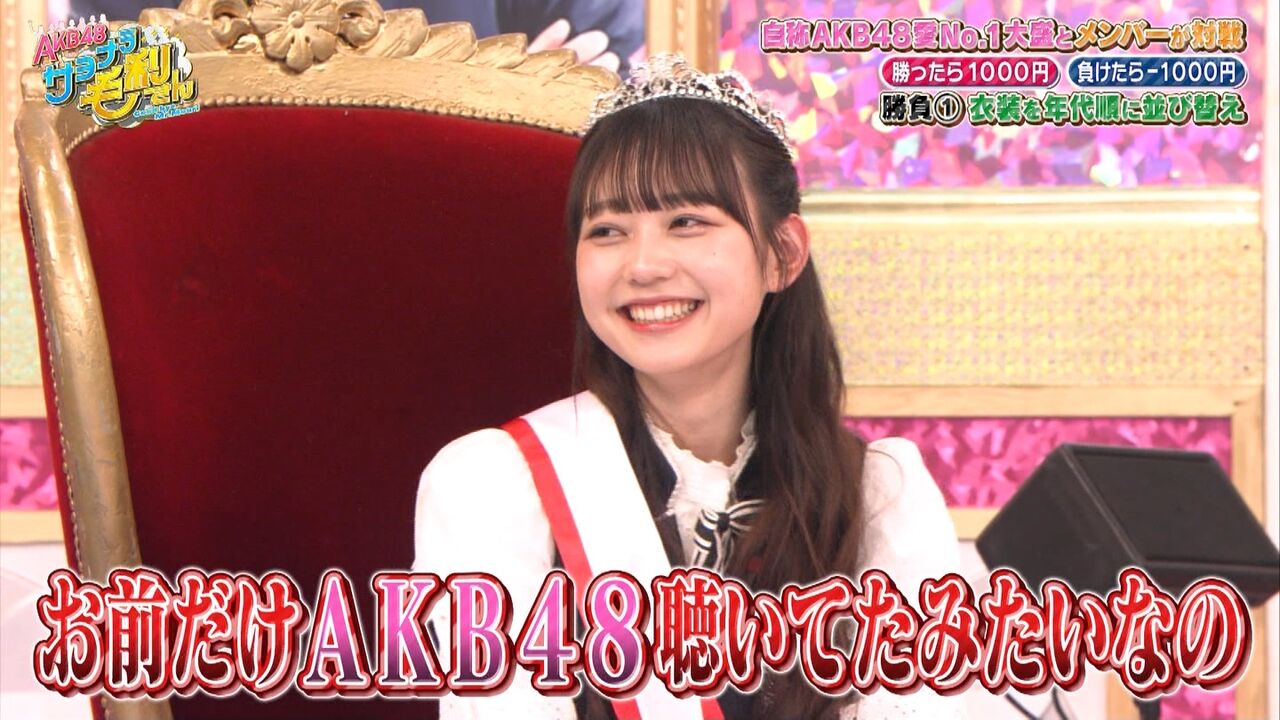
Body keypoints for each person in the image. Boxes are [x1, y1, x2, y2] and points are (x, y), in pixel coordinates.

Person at [414, 54, 967, 720]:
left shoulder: (877, 493)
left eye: (687, 222)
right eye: (607, 231)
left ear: (783, 254)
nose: (644, 265)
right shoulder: (495, 484)